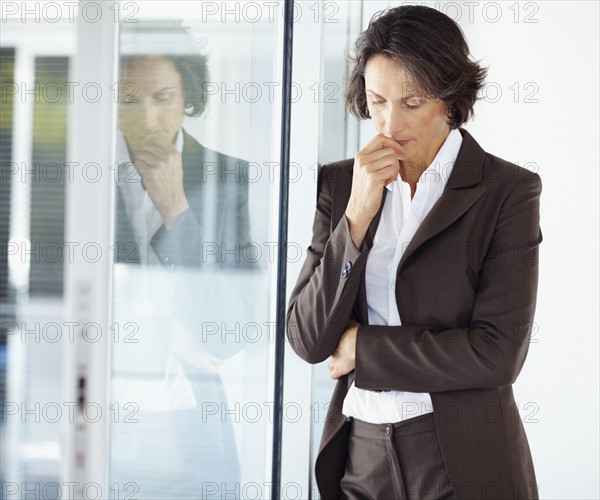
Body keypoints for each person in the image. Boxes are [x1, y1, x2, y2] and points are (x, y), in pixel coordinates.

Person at [287, 6, 542, 500]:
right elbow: (308, 338)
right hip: (358, 455)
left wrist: (363, 347)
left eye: (412, 102)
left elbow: (496, 353)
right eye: (377, 100)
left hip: (462, 460)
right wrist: (357, 216)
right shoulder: (341, 184)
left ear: (449, 98)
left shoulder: (505, 191)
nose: (389, 122)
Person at [110, 23, 254, 499]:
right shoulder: (80, 175)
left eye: (162, 97)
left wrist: (176, 211)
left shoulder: (230, 178)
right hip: (102, 415)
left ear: (187, 98)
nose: (146, 118)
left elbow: (229, 334)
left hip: (192, 427)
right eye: (128, 99)